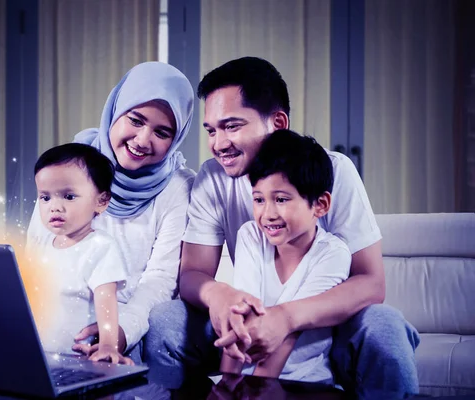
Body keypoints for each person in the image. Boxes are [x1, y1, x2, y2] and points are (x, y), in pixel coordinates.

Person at [145, 57, 420, 394]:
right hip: (244, 321)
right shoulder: (212, 179)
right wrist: (222, 298)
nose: (218, 144)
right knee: (166, 321)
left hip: (328, 327)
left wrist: (286, 318)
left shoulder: (334, 171)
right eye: (211, 130)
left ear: (277, 122)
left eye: (232, 126)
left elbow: (370, 283)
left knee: (386, 326)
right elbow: (192, 275)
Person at [27, 62, 195, 364]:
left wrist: (118, 331)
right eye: (136, 120)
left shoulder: (178, 187)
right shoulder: (72, 165)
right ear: (116, 110)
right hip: (55, 321)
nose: (143, 140)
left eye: (162, 132)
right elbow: (36, 252)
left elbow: (159, 280)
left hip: (124, 328)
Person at [219, 129, 350, 383]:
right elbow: (241, 319)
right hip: (247, 381)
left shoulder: (332, 254)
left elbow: (288, 334)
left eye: (280, 199)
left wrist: (256, 391)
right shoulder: (251, 235)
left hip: (305, 385)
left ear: (320, 205)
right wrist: (226, 386)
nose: (267, 214)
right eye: (259, 199)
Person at [28, 143, 132, 365]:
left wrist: (107, 345)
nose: (54, 207)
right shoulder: (42, 244)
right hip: (40, 358)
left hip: (78, 358)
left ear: (101, 201)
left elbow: (107, 303)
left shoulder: (100, 247)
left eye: (68, 196)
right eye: (45, 198)